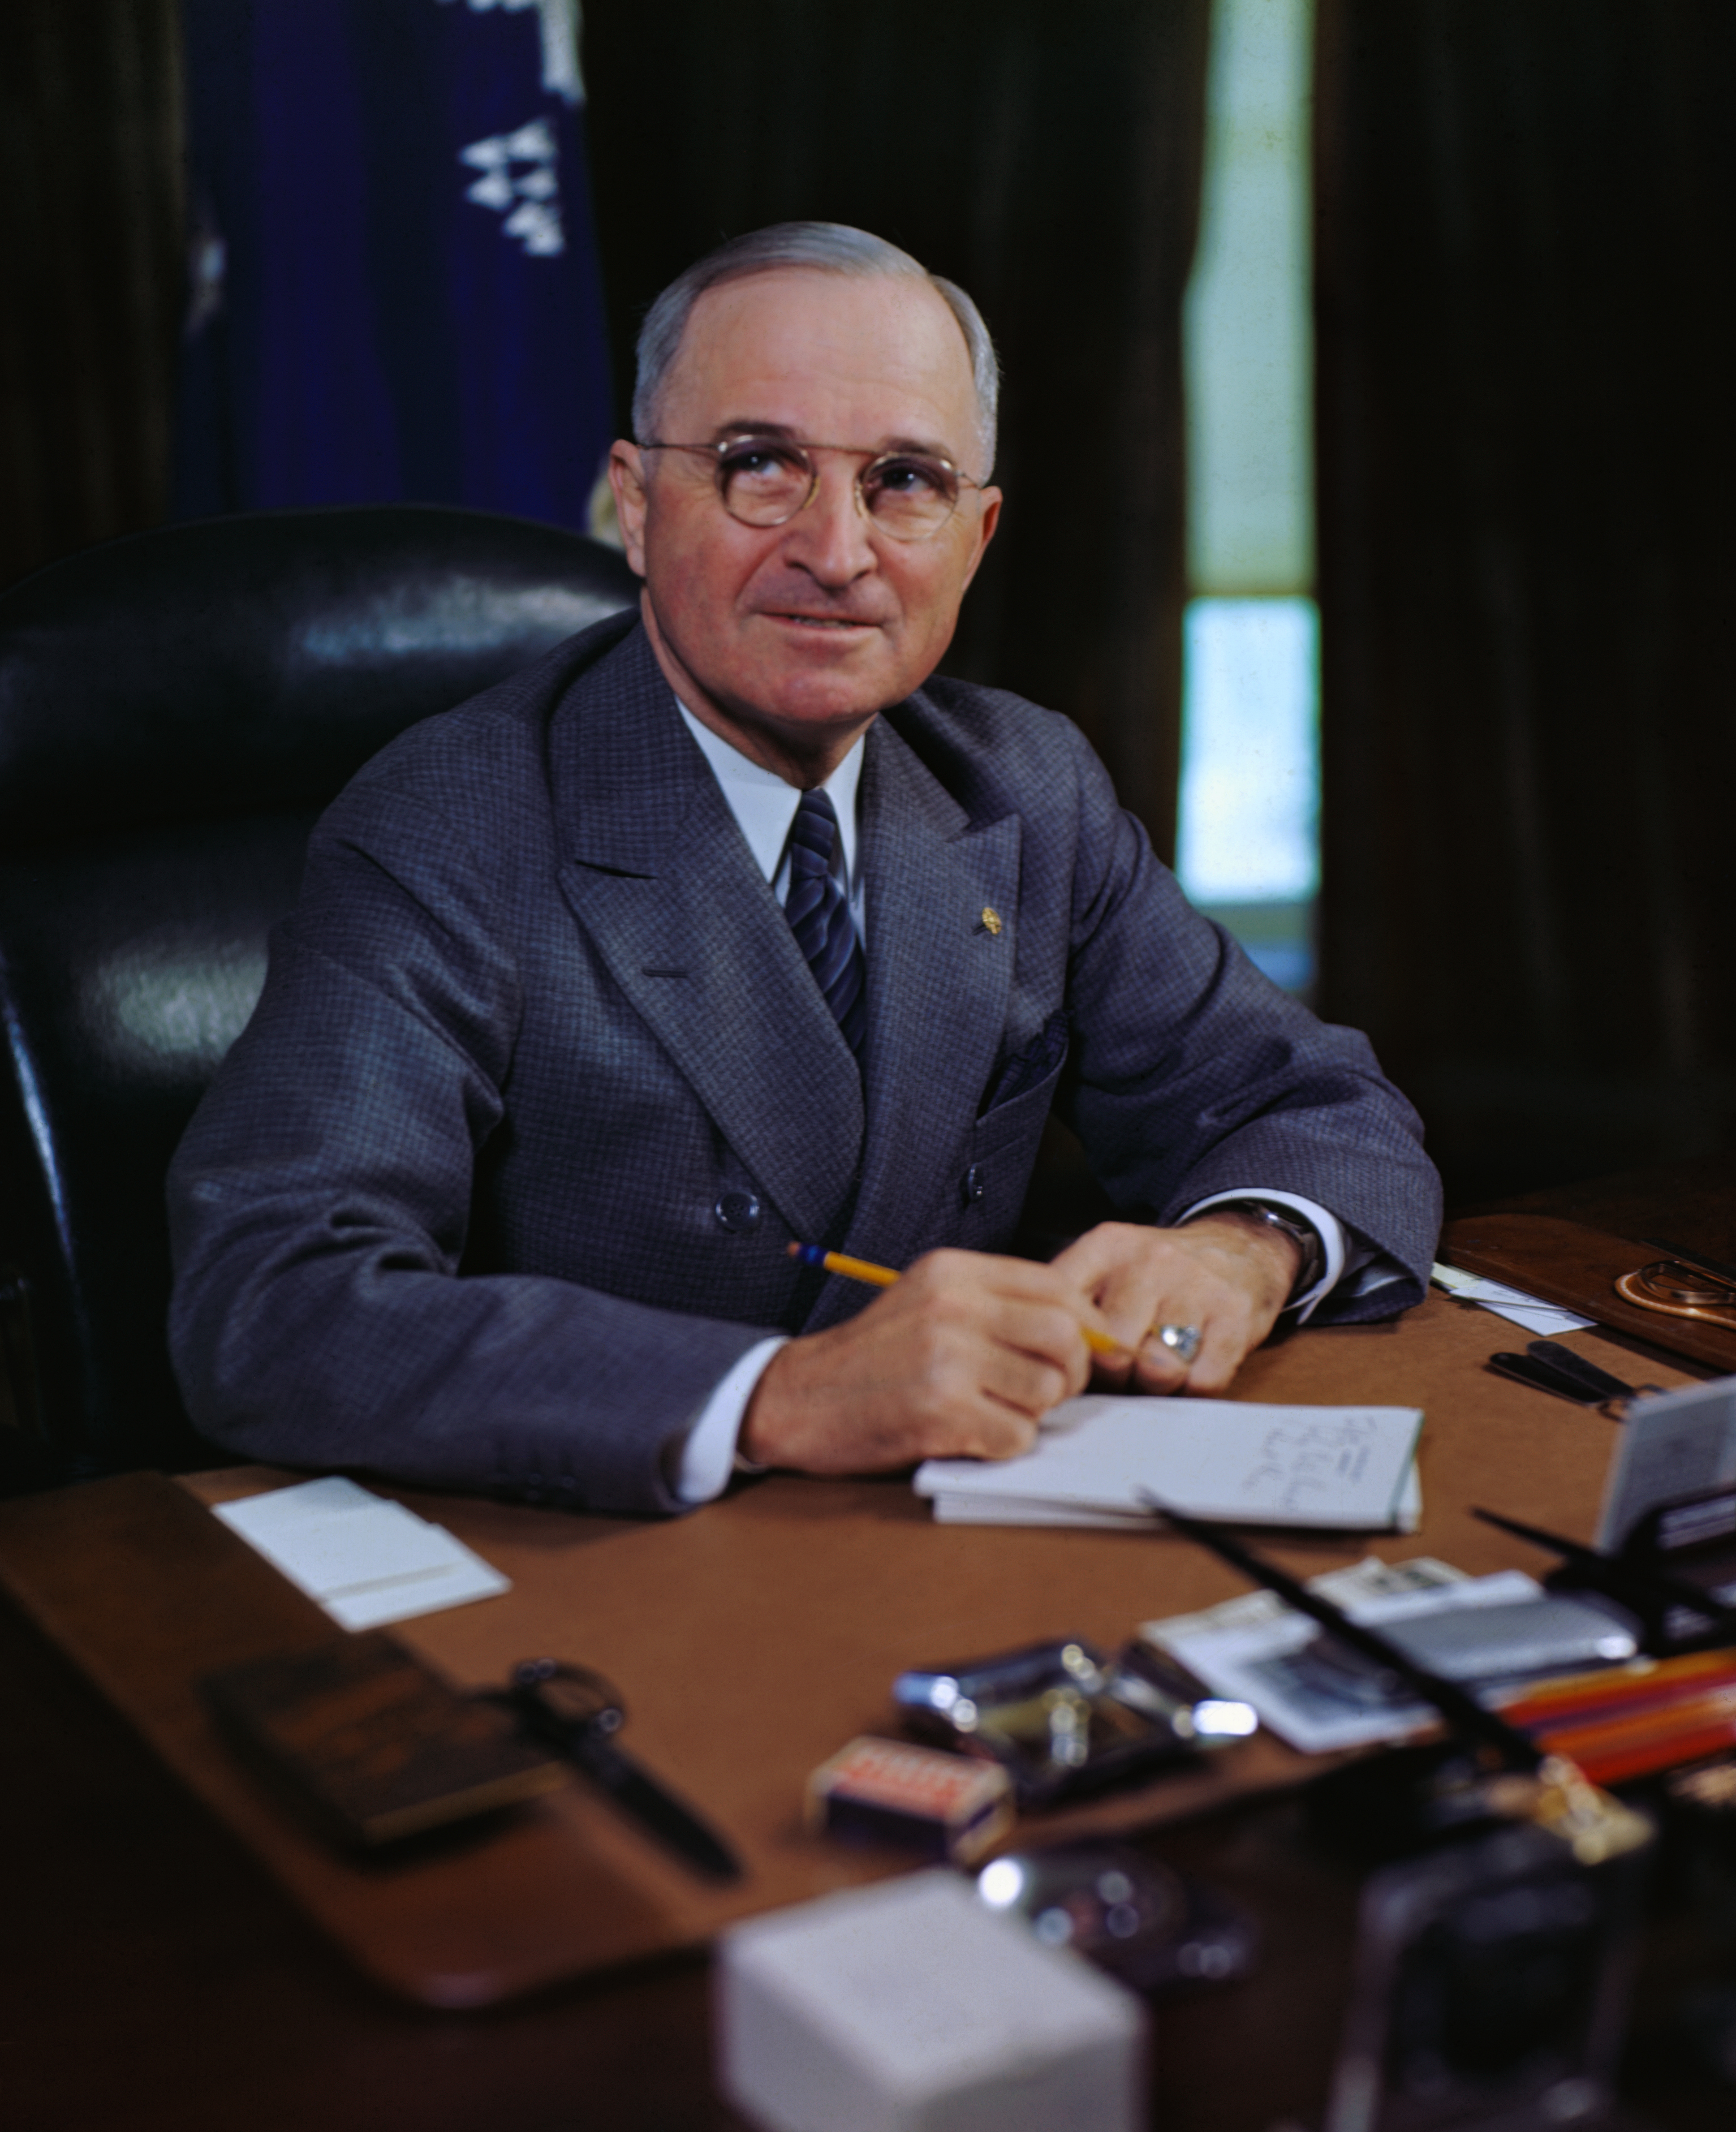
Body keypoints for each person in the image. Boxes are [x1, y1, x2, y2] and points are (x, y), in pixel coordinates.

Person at [167, 222, 1441, 1516]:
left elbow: (1317, 1106)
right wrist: (781, 1394)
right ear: (636, 502)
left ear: (976, 532)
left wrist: (1243, 1249)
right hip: (599, 1556)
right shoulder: (453, 819)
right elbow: (275, 1300)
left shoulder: (1022, 783)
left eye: (903, 480)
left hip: (941, 1540)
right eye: (759, 465)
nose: (837, 552)